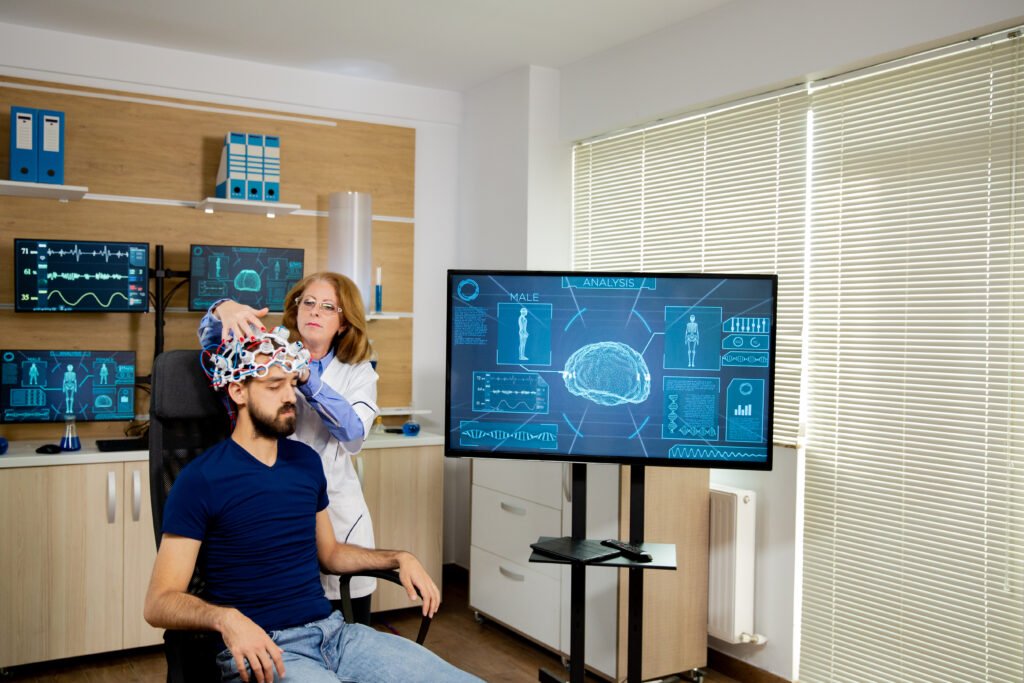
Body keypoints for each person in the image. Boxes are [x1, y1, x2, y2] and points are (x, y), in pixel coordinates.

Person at [144, 330, 480, 683]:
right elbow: (159, 602)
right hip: (265, 648)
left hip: (336, 636)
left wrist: (400, 557)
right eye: (274, 386)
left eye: (291, 384)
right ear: (238, 391)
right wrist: (226, 619)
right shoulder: (201, 479)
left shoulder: (305, 462)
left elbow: (331, 554)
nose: (290, 397)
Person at [198, 273, 379, 625]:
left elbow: (354, 435)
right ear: (295, 309)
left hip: (338, 520)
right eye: (307, 302)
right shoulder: (266, 352)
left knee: (348, 636)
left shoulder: (358, 374)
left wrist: (309, 378)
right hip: (271, 510)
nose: (315, 311)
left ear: (343, 323)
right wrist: (223, 308)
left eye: (329, 307)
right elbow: (212, 348)